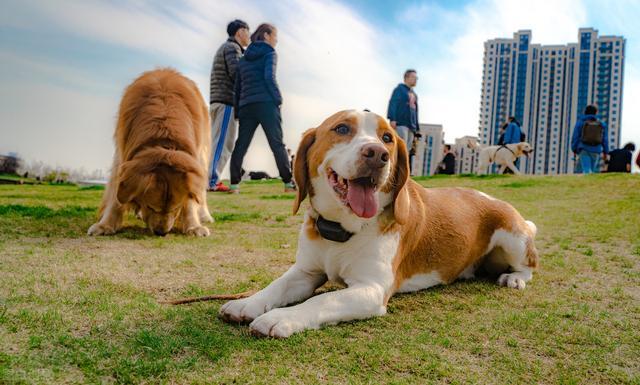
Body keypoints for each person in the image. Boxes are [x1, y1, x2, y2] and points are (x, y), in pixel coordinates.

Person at [229, 23, 294, 194]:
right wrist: (278, 99)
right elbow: (269, 77)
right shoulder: (270, 53)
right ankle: (288, 184)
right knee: (277, 144)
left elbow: (238, 87)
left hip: (246, 106)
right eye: (275, 36)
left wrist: (237, 111)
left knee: (241, 145)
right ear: (266, 35)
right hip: (266, 104)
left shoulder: (243, 59)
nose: (276, 40)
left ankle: (234, 185)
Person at [208, 19, 250, 192]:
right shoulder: (233, 48)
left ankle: (210, 179)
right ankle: (211, 181)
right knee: (222, 143)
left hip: (221, 102)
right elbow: (237, 74)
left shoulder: (228, 48)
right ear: (240, 32)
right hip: (226, 103)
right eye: (247, 32)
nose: (249, 36)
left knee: (221, 142)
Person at [387, 69, 419, 153]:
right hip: (401, 123)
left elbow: (416, 112)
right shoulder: (399, 89)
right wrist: (392, 119)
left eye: (416, 78)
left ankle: (402, 166)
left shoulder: (414, 94)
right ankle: (395, 166)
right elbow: (393, 103)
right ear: (406, 78)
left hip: (411, 126)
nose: (415, 79)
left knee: (406, 151)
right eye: (413, 77)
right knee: (399, 147)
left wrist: (417, 128)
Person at [571, 105, 609, 174]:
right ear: (596, 113)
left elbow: (575, 137)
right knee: (591, 169)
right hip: (596, 149)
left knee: (586, 169)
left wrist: (574, 148)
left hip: (584, 148)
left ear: (585, 112)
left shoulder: (580, 122)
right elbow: (605, 140)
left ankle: (585, 182)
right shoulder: (601, 124)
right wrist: (605, 151)